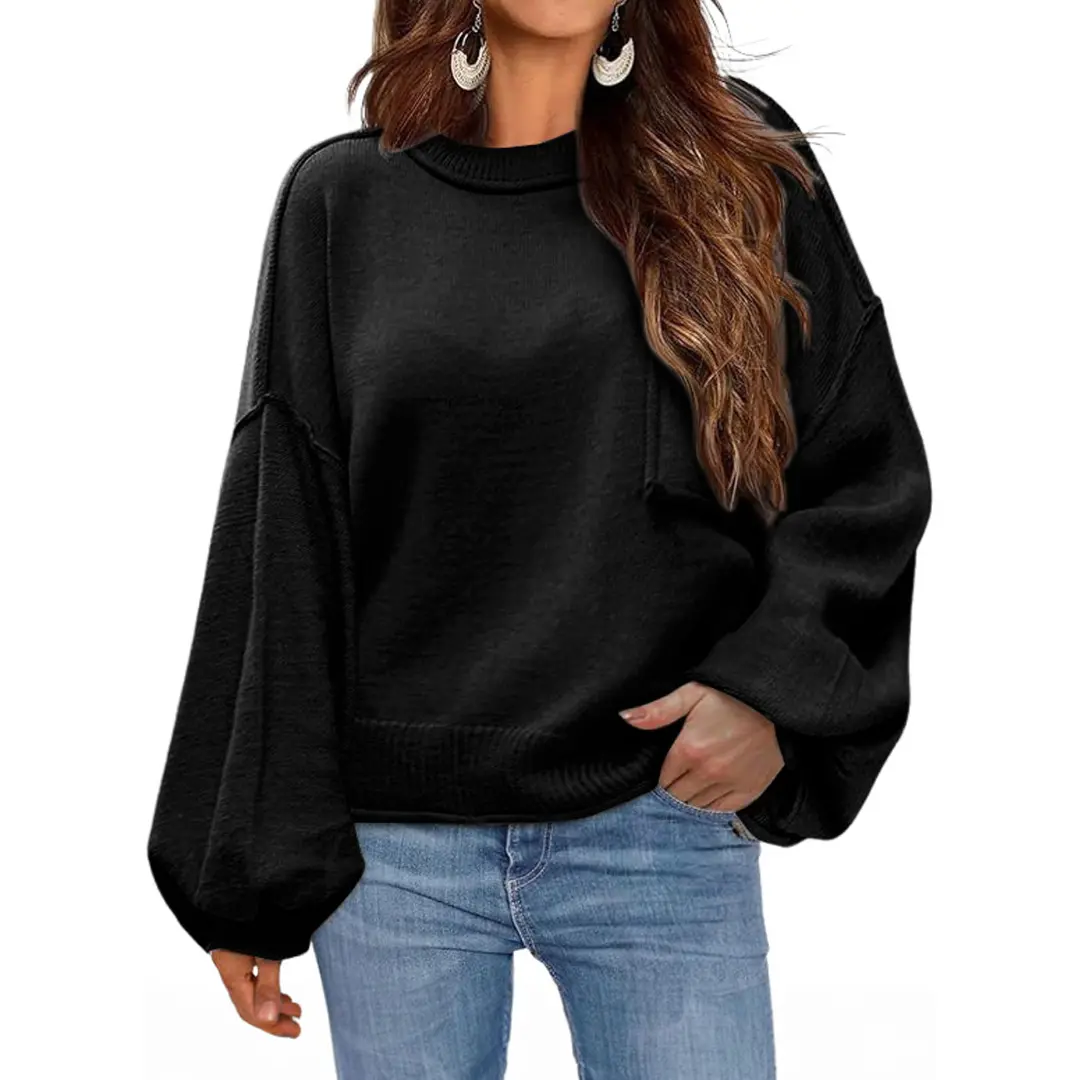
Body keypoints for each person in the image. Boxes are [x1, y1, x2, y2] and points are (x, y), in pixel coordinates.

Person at [147, 2, 933, 1076]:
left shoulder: (735, 170)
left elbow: (863, 466)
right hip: (397, 855)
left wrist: (769, 691)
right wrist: (245, 868)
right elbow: (282, 535)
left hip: (658, 819)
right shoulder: (343, 202)